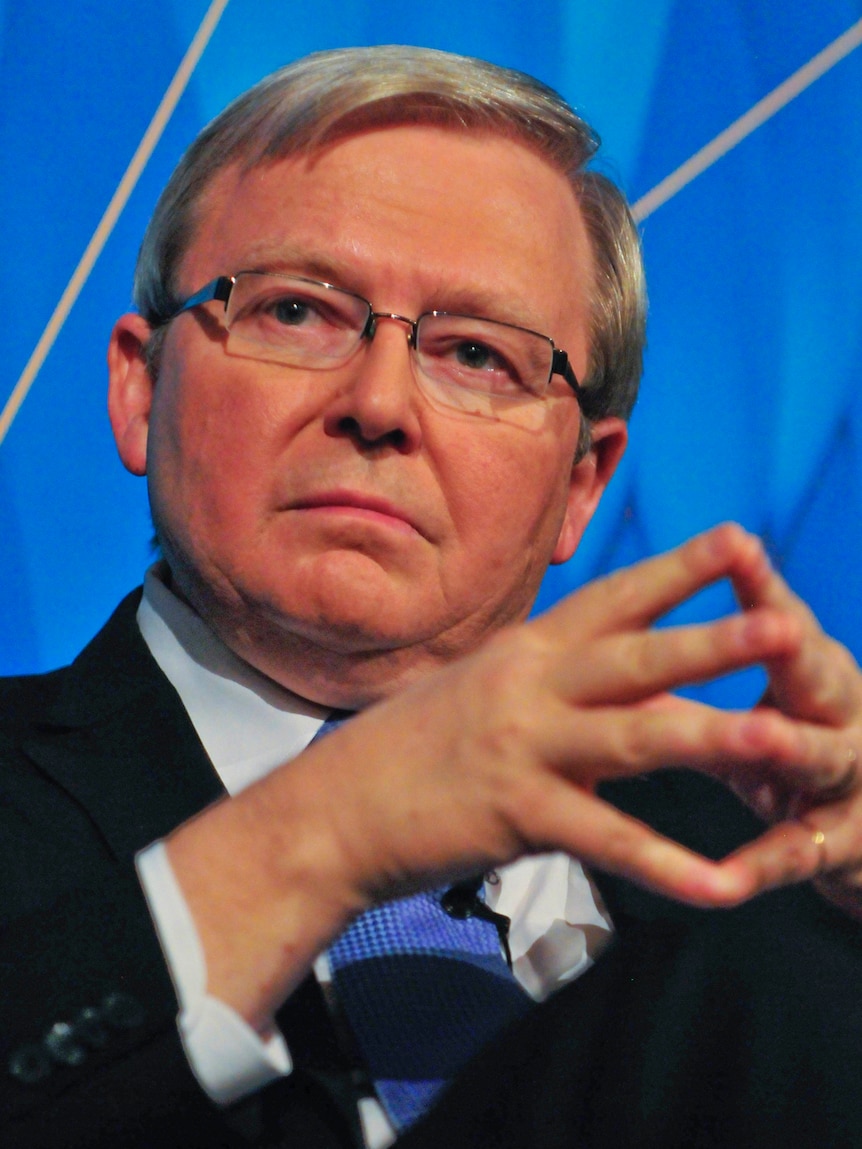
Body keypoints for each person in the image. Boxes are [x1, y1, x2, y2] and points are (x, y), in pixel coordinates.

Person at [2, 45, 862, 1149]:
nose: (378, 402)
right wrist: (324, 833)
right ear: (141, 387)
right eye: (296, 312)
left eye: (477, 355)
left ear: (580, 487)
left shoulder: (751, 874)